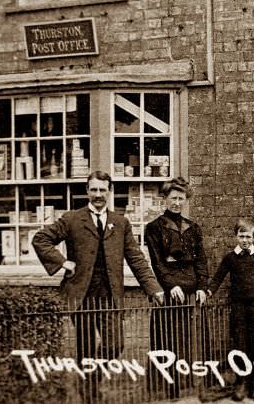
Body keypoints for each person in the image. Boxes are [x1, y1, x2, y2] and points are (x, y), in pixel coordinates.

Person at [32, 170, 164, 398]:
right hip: (80, 293)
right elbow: (40, 239)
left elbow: (136, 258)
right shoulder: (72, 219)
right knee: (84, 348)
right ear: (87, 192)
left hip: (109, 294)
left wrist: (154, 288)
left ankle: (91, 381)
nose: (98, 194)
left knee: (115, 344)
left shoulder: (120, 223)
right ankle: (89, 395)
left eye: (103, 190)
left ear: (110, 192)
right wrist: (64, 263)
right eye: (94, 189)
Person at [145, 177, 209, 397]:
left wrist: (202, 286)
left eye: (181, 198)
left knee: (191, 340)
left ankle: (192, 385)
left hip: (192, 292)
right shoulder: (154, 228)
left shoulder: (194, 228)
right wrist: (170, 285)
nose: (177, 203)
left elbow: (201, 260)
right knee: (167, 339)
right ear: (165, 199)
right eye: (173, 198)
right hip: (170, 292)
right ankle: (168, 389)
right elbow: (157, 262)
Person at [207, 219, 254, 402]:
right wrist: (208, 291)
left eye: (248, 236)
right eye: (241, 236)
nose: (245, 240)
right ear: (236, 236)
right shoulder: (230, 258)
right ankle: (241, 383)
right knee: (240, 346)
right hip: (238, 308)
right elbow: (218, 277)